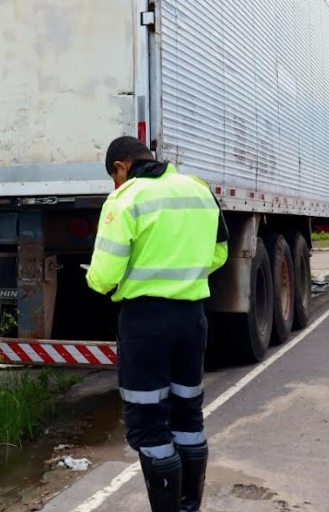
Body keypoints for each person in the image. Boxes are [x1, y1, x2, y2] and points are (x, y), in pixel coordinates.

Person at [86, 136, 229, 512]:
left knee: (148, 421)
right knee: (187, 413)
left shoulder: (126, 198)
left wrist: (101, 280)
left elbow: (104, 276)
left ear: (120, 166)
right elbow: (219, 253)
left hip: (145, 322)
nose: (115, 185)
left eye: (114, 177)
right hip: (192, 317)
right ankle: (189, 507)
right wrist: (185, 274)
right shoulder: (198, 190)